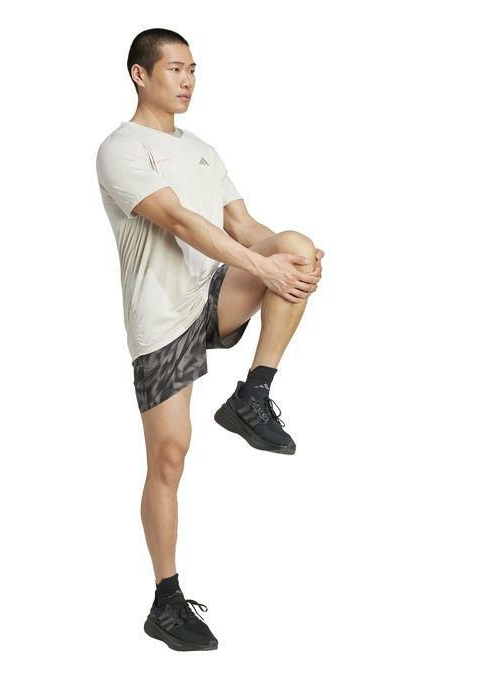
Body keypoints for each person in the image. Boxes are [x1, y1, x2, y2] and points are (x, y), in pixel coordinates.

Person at [95, 28, 325, 652]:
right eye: (175, 68)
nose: (188, 80)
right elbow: (178, 220)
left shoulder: (202, 150)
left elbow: (243, 226)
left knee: (295, 247)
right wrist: (265, 268)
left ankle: (254, 393)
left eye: (193, 69)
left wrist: (290, 262)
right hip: (161, 317)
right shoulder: (121, 149)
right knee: (169, 456)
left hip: (214, 295)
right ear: (140, 75)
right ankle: (165, 601)